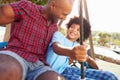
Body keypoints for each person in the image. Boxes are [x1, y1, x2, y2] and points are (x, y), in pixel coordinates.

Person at [0, 0, 74, 80]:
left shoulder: (54, 27)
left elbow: (56, 46)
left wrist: (70, 53)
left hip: (39, 65)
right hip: (16, 55)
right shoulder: (28, 8)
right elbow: (3, 13)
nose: (65, 18)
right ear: (53, 5)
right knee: (10, 71)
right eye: (64, 14)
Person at [46, 17, 118, 80]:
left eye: (78, 30)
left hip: (68, 70)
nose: (74, 30)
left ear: (81, 35)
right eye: (72, 27)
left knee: (110, 76)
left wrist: (98, 69)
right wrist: (70, 52)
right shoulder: (58, 35)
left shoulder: (77, 46)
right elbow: (56, 47)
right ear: (68, 28)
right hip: (54, 72)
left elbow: (88, 59)